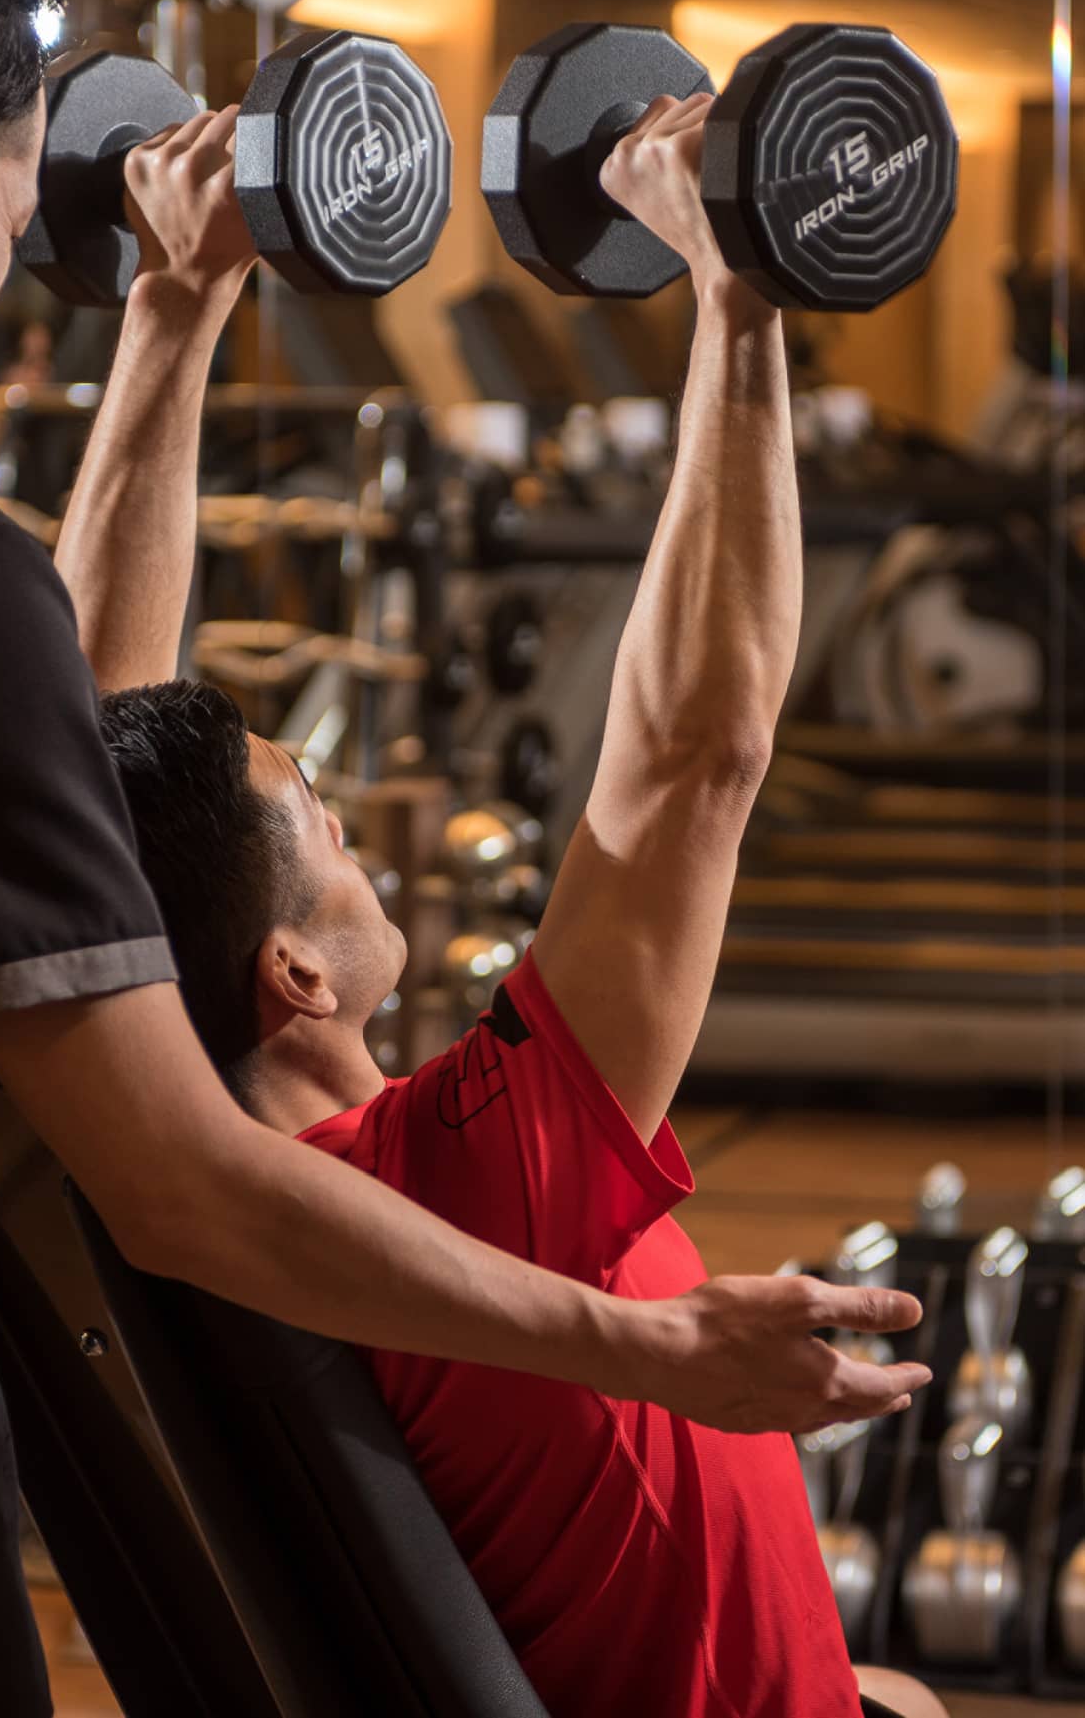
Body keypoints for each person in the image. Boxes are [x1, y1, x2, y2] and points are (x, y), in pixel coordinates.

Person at [0, 0, 927, 1714]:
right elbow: (689, 758)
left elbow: (61, 742)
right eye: (14, 209)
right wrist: (648, 1341)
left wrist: (173, 309)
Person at [86, 100, 945, 1716]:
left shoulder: (214, 1174)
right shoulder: (459, 1179)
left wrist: (174, 304)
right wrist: (738, 292)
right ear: (287, 972)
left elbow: (82, 801)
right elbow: (695, 755)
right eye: (323, 822)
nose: (361, 840)